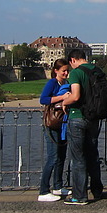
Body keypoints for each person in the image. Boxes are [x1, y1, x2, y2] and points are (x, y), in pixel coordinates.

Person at [60, 49, 104, 205]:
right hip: (94, 117)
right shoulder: (97, 70)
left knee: (78, 158)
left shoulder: (76, 73)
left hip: (78, 116)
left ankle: (79, 196)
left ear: (72, 60)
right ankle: (97, 190)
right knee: (93, 155)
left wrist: (64, 102)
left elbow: (76, 95)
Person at [37, 59, 71, 201]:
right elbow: (43, 99)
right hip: (52, 123)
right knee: (53, 157)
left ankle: (57, 186)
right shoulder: (52, 83)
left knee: (61, 156)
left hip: (62, 123)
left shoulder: (65, 84)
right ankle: (43, 190)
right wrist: (62, 98)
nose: (66, 73)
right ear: (56, 71)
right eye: (63, 70)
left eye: (67, 70)